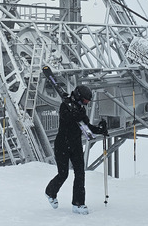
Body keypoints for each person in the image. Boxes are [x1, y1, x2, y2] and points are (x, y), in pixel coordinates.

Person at [45, 84, 108, 215]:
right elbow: (67, 120)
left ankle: (78, 203)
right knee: (63, 174)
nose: (86, 103)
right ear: (79, 97)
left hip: (76, 145)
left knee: (80, 173)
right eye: (85, 101)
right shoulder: (65, 106)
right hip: (62, 144)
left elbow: (86, 126)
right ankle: (50, 192)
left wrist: (100, 130)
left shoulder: (79, 109)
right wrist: (77, 115)